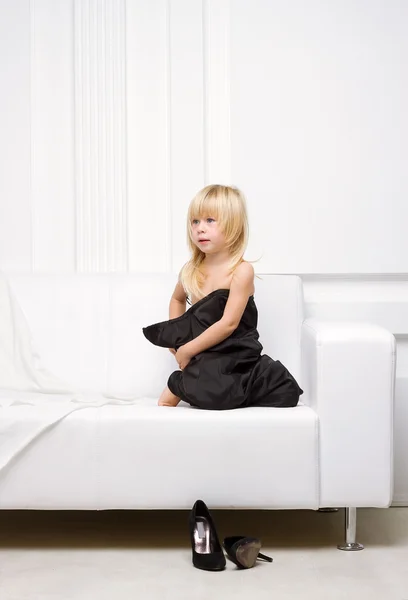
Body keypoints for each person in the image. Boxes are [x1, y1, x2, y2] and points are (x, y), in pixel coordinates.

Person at [142, 184, 303, 409]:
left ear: (233, 225)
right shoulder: (191, 269)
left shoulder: (241, 271)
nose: (200, 228)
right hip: (206, 354)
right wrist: (176, 340)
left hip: (237, 354)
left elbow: (229, 324)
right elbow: (176, 299)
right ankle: (176, 393)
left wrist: (188, 349)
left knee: (286, 393)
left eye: (210, 220)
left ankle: (243, 385)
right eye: (195, 221)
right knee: (208, 387)